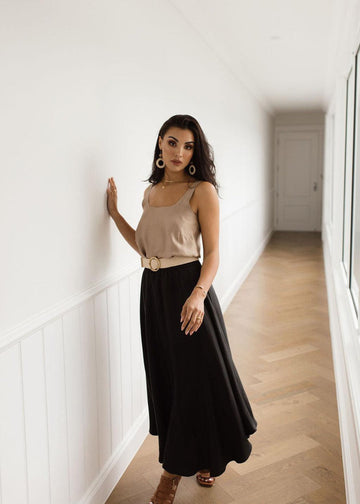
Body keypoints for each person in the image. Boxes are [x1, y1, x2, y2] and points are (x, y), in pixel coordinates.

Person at [106, 114, 257, 504]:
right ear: (160, 144)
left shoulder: (201, 190)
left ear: (195, 151)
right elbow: (143, 245)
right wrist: (115, 214)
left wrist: (198, 294)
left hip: (189, 290)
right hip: (152, 291)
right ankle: (202, 457)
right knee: (169, 378)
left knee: (198, 379)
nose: (179, 152)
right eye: (172, 143)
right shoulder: (151, 193)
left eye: (188, 146)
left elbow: (213, 253)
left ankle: (171, 474)